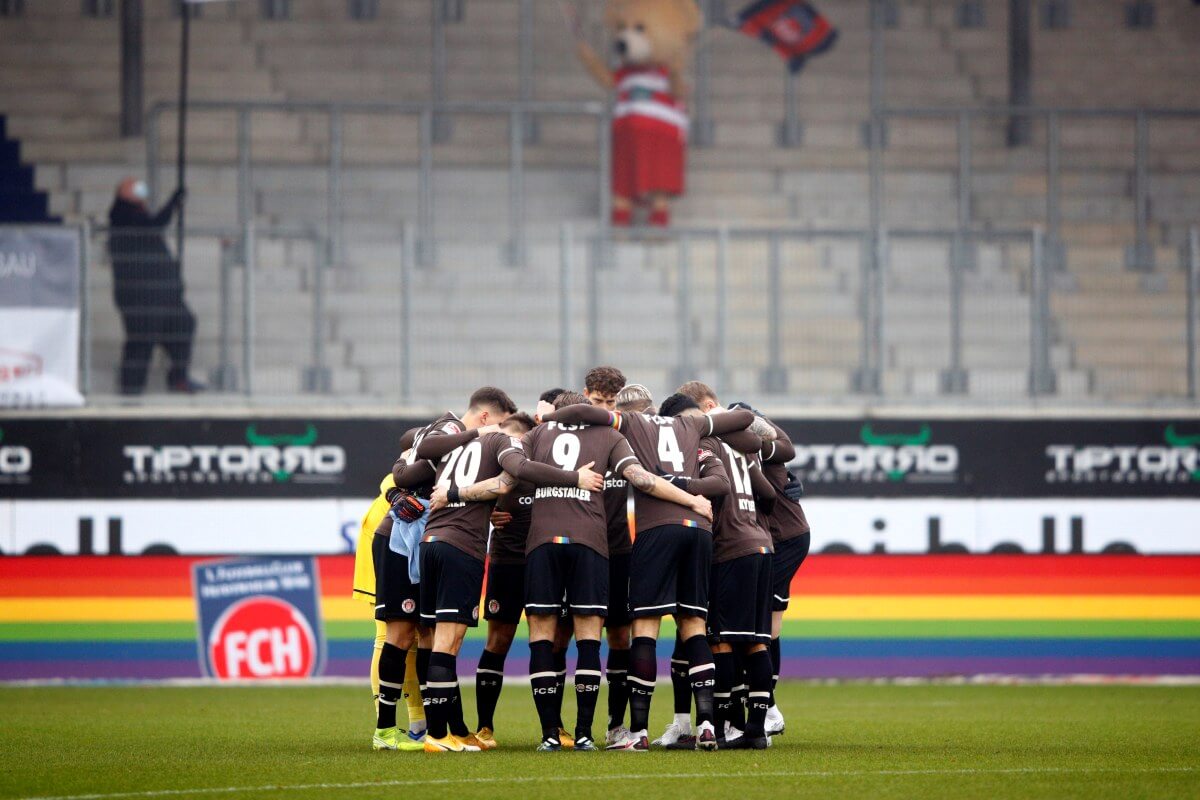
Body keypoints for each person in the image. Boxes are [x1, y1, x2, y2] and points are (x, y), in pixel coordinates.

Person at [540, 396, 774, 751]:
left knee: (645, 629)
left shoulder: (631, 424)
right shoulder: (692, 425)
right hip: (699, 530)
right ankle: (708, 724)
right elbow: (742, 418)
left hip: (656, 530)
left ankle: (638, 732)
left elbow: (583, 413)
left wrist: (549, 417)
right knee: (693, 625)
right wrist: (728, 416)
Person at [676, 381, 811, 736]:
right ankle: (756, 721)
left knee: (726, 637)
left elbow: (784, 449)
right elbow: (768, 491)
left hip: (746, 544)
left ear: (707, 409)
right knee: (757, 636)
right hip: (764, 541)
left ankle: (731, 724)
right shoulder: (742, 447)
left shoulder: (717, 438)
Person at [106, 178, 201, 394]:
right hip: (139, 296)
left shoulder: (139, 215)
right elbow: (155, 225)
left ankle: (178, 378)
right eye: (135, 188)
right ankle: (131, 390)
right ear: (124, 194)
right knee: (141, 342)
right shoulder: (122, 215)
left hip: (163, 294)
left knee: (184, 324)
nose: (142, 192)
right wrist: (173, 204)